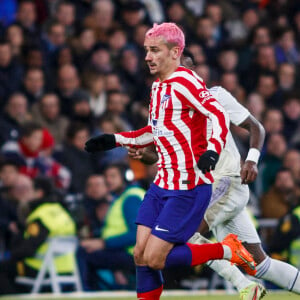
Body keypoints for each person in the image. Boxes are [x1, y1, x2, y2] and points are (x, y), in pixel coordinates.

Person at [85, 23, 256, 300]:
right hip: (161, 184)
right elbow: (154, 131)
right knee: (140, 254)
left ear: (175, 52)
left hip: (188, 188)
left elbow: (217, 114)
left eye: (154, 50)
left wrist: (212, 150)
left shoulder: (185, 81)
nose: (147, 57)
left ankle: (226, 249)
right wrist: (115, 139)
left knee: (155, 258)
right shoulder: (158, 87)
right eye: (146, 50)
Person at [132, 66, 300, 297]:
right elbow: (158, 153)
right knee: (260, 265)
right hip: (204, 191)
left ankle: (243, 286)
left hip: (227, 183)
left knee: (183, 234)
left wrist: (251, 161)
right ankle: (249, 282)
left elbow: (255, 127)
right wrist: (144, 154)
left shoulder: (215, 96)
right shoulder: (169, 111)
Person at [0, 177, 76, 295]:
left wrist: (10, 254)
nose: (25, 193)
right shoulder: (61, 211)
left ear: (39, 193)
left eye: (29, 190)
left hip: (41, 268)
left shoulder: (40, 216)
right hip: (67, 268)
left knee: (4, 268)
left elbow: (28, 249)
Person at [76, 163, 144, 290]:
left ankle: (86, 292)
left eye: (113, 176)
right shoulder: (123, 197)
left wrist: (103, 243)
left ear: (125, 177)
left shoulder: (131, 198)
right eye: (106, 176)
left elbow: (137, 234)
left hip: (130, 253)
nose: (108, 180)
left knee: (83, 252)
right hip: (123, 250)